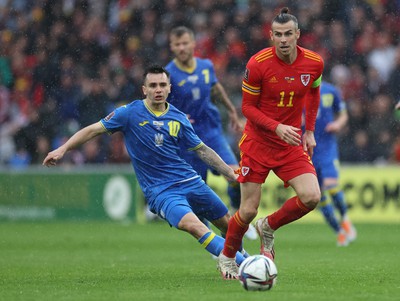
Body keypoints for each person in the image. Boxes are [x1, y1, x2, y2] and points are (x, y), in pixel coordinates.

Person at [43, 65, 248, 275]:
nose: (158, 89)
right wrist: (63, 148)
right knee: (193, 225)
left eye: (162, 85)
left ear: (169, 88)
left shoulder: (178, 118)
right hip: (161, 191)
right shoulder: (129, 113)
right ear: (144, 89)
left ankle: (241, 260)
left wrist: (228, 172)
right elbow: (94, 129)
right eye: (153, 85)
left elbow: (202, 150)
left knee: (229, 226)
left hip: (190, 181)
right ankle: (247, 265)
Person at [217, 7, 324, 279]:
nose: (284, 39)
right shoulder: (257, 64)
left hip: (289, 144)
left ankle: (269, 226)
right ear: (271, 36)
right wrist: (276, 127)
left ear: (298, 34)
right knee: (248, 209)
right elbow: (247, 109)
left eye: (289, 33)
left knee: (312, 196)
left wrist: (309, 130)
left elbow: (313, 93)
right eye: (278, 34)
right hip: (258, 142)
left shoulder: (314, 63)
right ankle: (227, 257)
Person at [165, 26, 258, 240]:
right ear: (172, 46)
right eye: (177, 44)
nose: (181, 48)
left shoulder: (206, 66)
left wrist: (232, 111)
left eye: (185, 43)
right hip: (186, 140)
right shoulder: (168, 74)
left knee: (237, 175)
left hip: (211, 132)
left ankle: (238, 216)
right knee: (199, 194)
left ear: (192, 44)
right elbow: (160, 105)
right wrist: (175, 118)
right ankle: (215, 244)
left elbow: (216, 88)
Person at [313, 81, 356, 246]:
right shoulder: (296, 91)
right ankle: (339, 231)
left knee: (331, 185)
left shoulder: (330, 91)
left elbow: (343, 114)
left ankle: (345, 217)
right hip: (306, 150)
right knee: (318, 196)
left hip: (326, 147)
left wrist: (338, 124)